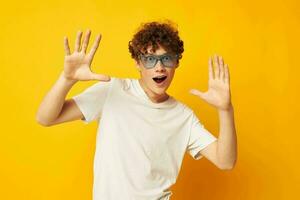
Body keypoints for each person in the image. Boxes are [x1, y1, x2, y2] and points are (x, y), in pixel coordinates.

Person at [36, 21, 237, 200]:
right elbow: (46, 118)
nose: (159, 67)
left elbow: (225, 161)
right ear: (138, 63)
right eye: (150, 59)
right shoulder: (112, 90)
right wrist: (67, 79)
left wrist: (225, 110)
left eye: (167, 59)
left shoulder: (183, 116)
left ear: (176, 63)